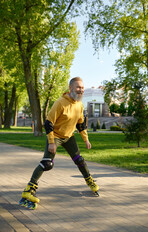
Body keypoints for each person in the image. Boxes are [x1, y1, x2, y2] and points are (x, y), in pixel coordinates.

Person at [20, 77, 99, 206]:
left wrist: (86, 139)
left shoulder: (79, 104)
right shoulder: (60, 103)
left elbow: (80, 124)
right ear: (70, 88)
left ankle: (89, 180)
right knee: (47, 163)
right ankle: (28, 190)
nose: (81, 90)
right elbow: (48, 123)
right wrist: (51, 142)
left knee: (79, 160)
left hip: (69, 137)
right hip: (55, 136)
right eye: (78, 87)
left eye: (83, 88)